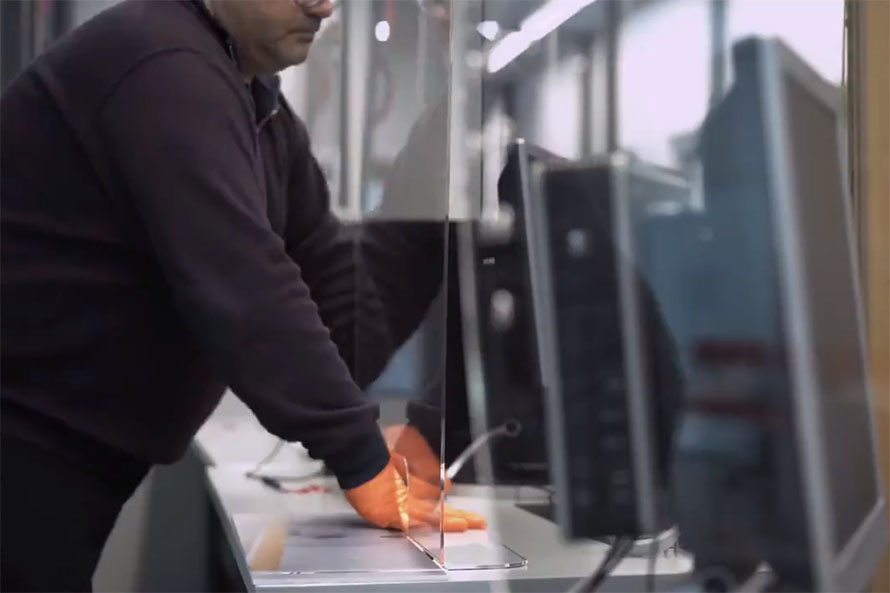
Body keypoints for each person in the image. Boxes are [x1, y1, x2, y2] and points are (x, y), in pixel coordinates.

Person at [0, 0, 484, 590]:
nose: (323, 4)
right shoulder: (163, 62)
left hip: (66, 463)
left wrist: (442, 161)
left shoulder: (264, 118)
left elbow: (350, 331)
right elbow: (243, 285)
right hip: (24, 445)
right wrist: (360, 457)